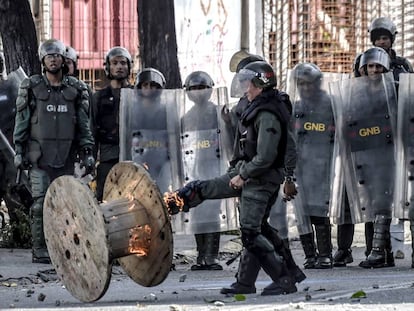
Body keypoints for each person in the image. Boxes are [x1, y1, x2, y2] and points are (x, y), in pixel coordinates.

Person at [166, 61, 303, 296]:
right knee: (202, 189)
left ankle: (284, 279)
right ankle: (170, 204)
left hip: (260, 179)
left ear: (260, 83)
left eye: (246, 82)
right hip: (245, 173)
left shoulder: (268, 112)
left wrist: (243, 175)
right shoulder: (254, 106)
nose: (242, 87)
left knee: (251, 231)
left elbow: (267, 156)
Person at [13, 39, 95, 263]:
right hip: (39, 156)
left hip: (68, 156)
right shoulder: (31, 86)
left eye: (56, 55)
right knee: (40, 204)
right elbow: (22, 121)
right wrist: (18, 150)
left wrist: (88, 151)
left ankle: (65, 246)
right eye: (48, 55)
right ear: (42, 60)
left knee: (68, 204)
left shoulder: (77, 89)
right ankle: (40, 249)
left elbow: (84, 125)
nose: (52, 59)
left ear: (63, 59)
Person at [331, 47, 397, 269]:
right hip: (361, 154)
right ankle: (383, 253)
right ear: (362, 69)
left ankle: (378, 251)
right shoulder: (354, 94)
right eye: (370, 66)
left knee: (381, 203)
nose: (374, 70)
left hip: (387, 153)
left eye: (379, 66)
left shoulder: (394, 91)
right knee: (371, 203)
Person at [289, 63, 334, 269]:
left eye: (309, 84)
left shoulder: (329, 104)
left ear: (318, 83)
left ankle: (325, 253)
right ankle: (310, 254)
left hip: (323, 165)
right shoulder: (296, 108)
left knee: (319, 210)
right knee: (302, 212)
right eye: (301, 84)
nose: (305, 88)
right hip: (301, 167)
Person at [181, 71, 223, 271]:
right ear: (187, 92)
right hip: (194, 171)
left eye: (202, 88)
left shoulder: (218, 113)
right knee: (197, 213)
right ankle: (201, 255)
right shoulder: (186, 118)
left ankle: (212, 256)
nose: (198, 92)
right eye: (194, 88)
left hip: (214, 169)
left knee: (213, 212)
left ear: (210, 89)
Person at [92, 46, 133, 201]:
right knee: (106, 199)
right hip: (108, 156)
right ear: (108, 66)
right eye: (114, 63)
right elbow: (92, 129)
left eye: (123, 63)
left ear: (129, 66)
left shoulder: (136, 94)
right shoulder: (98, 97)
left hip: (133, 155)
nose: (119, 67)